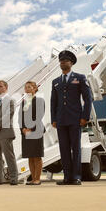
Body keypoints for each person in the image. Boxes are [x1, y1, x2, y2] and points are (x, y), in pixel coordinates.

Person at [51, 50, 92, 186]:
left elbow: (88, 98)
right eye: (61, 60)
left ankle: (76, 176)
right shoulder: (56, 82)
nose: (63, 62)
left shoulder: (80, 78)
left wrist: (85, 117)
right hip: (61, 120)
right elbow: (53, 102)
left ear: (71, 63)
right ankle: (67, 177)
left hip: (75, 119)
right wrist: (53, 119)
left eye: (66, 60)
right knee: (64, 149)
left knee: (76, 148)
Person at [18, 81, 45, 186]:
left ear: (34, 89)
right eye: (26, 87)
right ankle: (33, 179)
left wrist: (30, 128)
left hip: (36, 131)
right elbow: (20, 118)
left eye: (29, 87)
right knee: (30, 156)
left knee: (37, 156)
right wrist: (23, 129)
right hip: (26, 133)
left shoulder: (40, 100)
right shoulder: (23, 102)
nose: (27, 89)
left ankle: (37, 179)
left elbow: (40, 116)